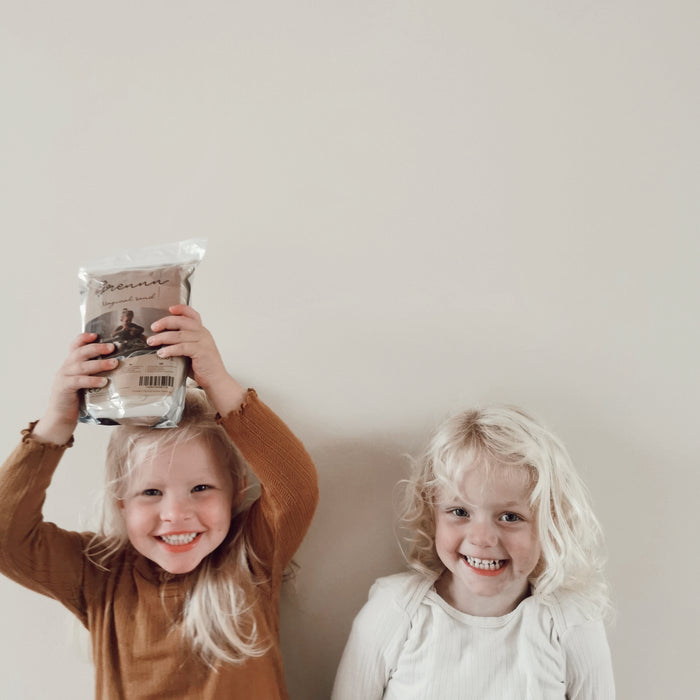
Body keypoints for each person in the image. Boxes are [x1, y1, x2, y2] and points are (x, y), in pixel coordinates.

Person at [0, 305, 319, 699]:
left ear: (237, 490)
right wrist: (57, 421)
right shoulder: (98, 576)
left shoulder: (248, 556)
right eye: (151, 492)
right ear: (122, 502)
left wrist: (217, 381)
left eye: (201, 488)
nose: (175, 515)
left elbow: (295, 487)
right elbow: (6, 537)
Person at [332, 405, 615, 699]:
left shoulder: (571, 624)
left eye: (510, 517)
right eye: (460, 511)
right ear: (433, 514)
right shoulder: (396, 611)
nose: (482, 538)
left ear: (549, 523)